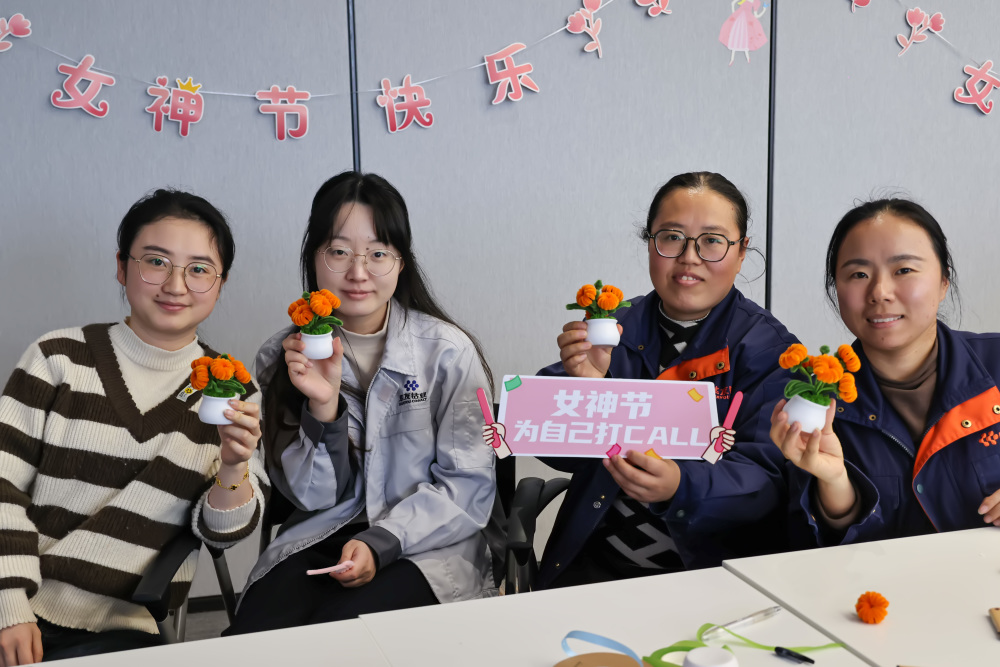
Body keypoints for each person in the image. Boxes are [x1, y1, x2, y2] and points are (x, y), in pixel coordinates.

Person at [0, 189, 267, 663]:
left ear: (220, 284)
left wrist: (233, 465)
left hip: (121, 625)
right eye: (156, 262)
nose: (176, 285)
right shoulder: (57, 357)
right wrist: (10, 606)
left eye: (199, 269)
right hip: (16, 596)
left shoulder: (230, 389)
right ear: (122, 268)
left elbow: (223, 532)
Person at [227, 172, 501, 633]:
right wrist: (323, 407)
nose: (358, 273)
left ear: (401, 262)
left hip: (428, 543)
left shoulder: (447, 352)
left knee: (341, 635)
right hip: (322, 533)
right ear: (314, 257)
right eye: (339, 252)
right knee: (252, 636)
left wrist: (382, 541)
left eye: (378, 253)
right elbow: (313, 498)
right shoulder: (282, 356)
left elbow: (468, 484)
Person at [526, 171, 798, 590]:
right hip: (593, 567)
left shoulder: (770, 351)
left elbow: (766, 480)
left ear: (741, 252)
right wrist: (585, 387)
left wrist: (680, 486)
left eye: (712, 241)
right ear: (650, 242)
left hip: (709, 577)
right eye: (671, 237)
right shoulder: (613, 326)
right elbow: (541, 440)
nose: (689, 257)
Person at [770, 198, 1000, 545]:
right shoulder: (816, 401)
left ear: (943, 281)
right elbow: (821, 553)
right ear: (837, 290)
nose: (879, 292)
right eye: (858, 274)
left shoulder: (995, 361)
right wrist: (834, 481)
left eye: (903, 270)